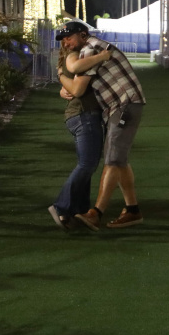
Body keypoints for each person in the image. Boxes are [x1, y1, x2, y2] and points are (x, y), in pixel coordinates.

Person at [57, 20, 146, 229]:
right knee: (119, 160)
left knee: (112, 159)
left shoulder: (92, 48)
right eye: (63, 40)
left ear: (82, 35)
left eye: (69, 37)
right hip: (122, 106)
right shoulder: (92, 48)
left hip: (123, 105)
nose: (66, 43)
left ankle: (96, 213)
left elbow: (77, 86)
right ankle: (132, 210)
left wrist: (60, 75)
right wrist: (63, 86)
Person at [49, 48, 108, 233]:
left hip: (80, 115)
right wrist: (103, 56)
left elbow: (70, 83)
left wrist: (61, 80)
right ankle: (61, 206)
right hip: (84, 115)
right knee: (87, 164)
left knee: (87, 164)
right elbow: (76, 86)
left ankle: (79, 210)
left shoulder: (71, 58)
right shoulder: (82, 56)